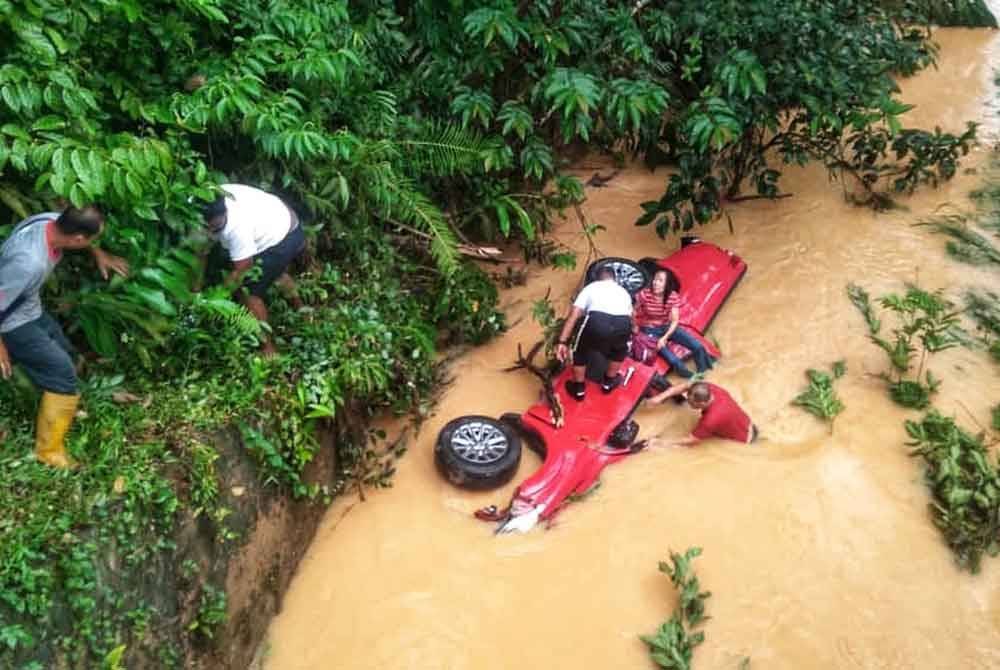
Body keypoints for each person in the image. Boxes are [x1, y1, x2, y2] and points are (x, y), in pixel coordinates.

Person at [0, 206, 130, 467]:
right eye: (93, 241)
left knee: (67, 353)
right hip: (10, 322)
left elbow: (81, 237)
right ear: (78, 238)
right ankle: (48, 453)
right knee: (61, 372)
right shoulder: (28, 262)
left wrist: (99, 254)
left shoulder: (50, 221)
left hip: (28, 306)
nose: (92, 244)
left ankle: (61, 405)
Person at [202, 184, 305, 355]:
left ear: (223, 214)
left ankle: (268, 349)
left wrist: (214, 299)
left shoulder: (237, 227)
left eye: (214, 226)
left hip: (284, 234)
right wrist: (196, 290)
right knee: (273, 273)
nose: (209, 230)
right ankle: (301, 309)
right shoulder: (204, 198)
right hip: (274, 219)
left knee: (248, 291)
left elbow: (242, 271)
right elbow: (200, 251)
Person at [555, 267, 633, 400]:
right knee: (619, 350)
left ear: (597, 278)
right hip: (623, 323)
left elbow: (574, 315)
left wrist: (562, 342)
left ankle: (579, 389)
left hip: (598, 321)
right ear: (614, 279)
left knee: (579, 350)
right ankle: (608, 383)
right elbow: (631, 316)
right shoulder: (624, 292)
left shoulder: (591, 287)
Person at [633, 268, 714, 378]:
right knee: (674, 361)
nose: (655, 283)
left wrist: (664, 338)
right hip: (649, 329)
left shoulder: (672, 296)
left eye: (660, 281)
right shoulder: (645, 294)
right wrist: (635, 327)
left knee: (697, 346)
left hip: (666, 326)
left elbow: (675, 321)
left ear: (667, 285)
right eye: (655, 280)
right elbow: (633, 311)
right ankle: (692, 378)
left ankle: (705, 372)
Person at [647, 380, 757, 446]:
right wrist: (660, 397)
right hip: (750, 425)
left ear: (703, 403)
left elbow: (691, 440)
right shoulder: (710, 389)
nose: (689, 404)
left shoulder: (710, 420)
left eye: (691, 403)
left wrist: (660, 442)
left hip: (745, 441)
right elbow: (686, 386)